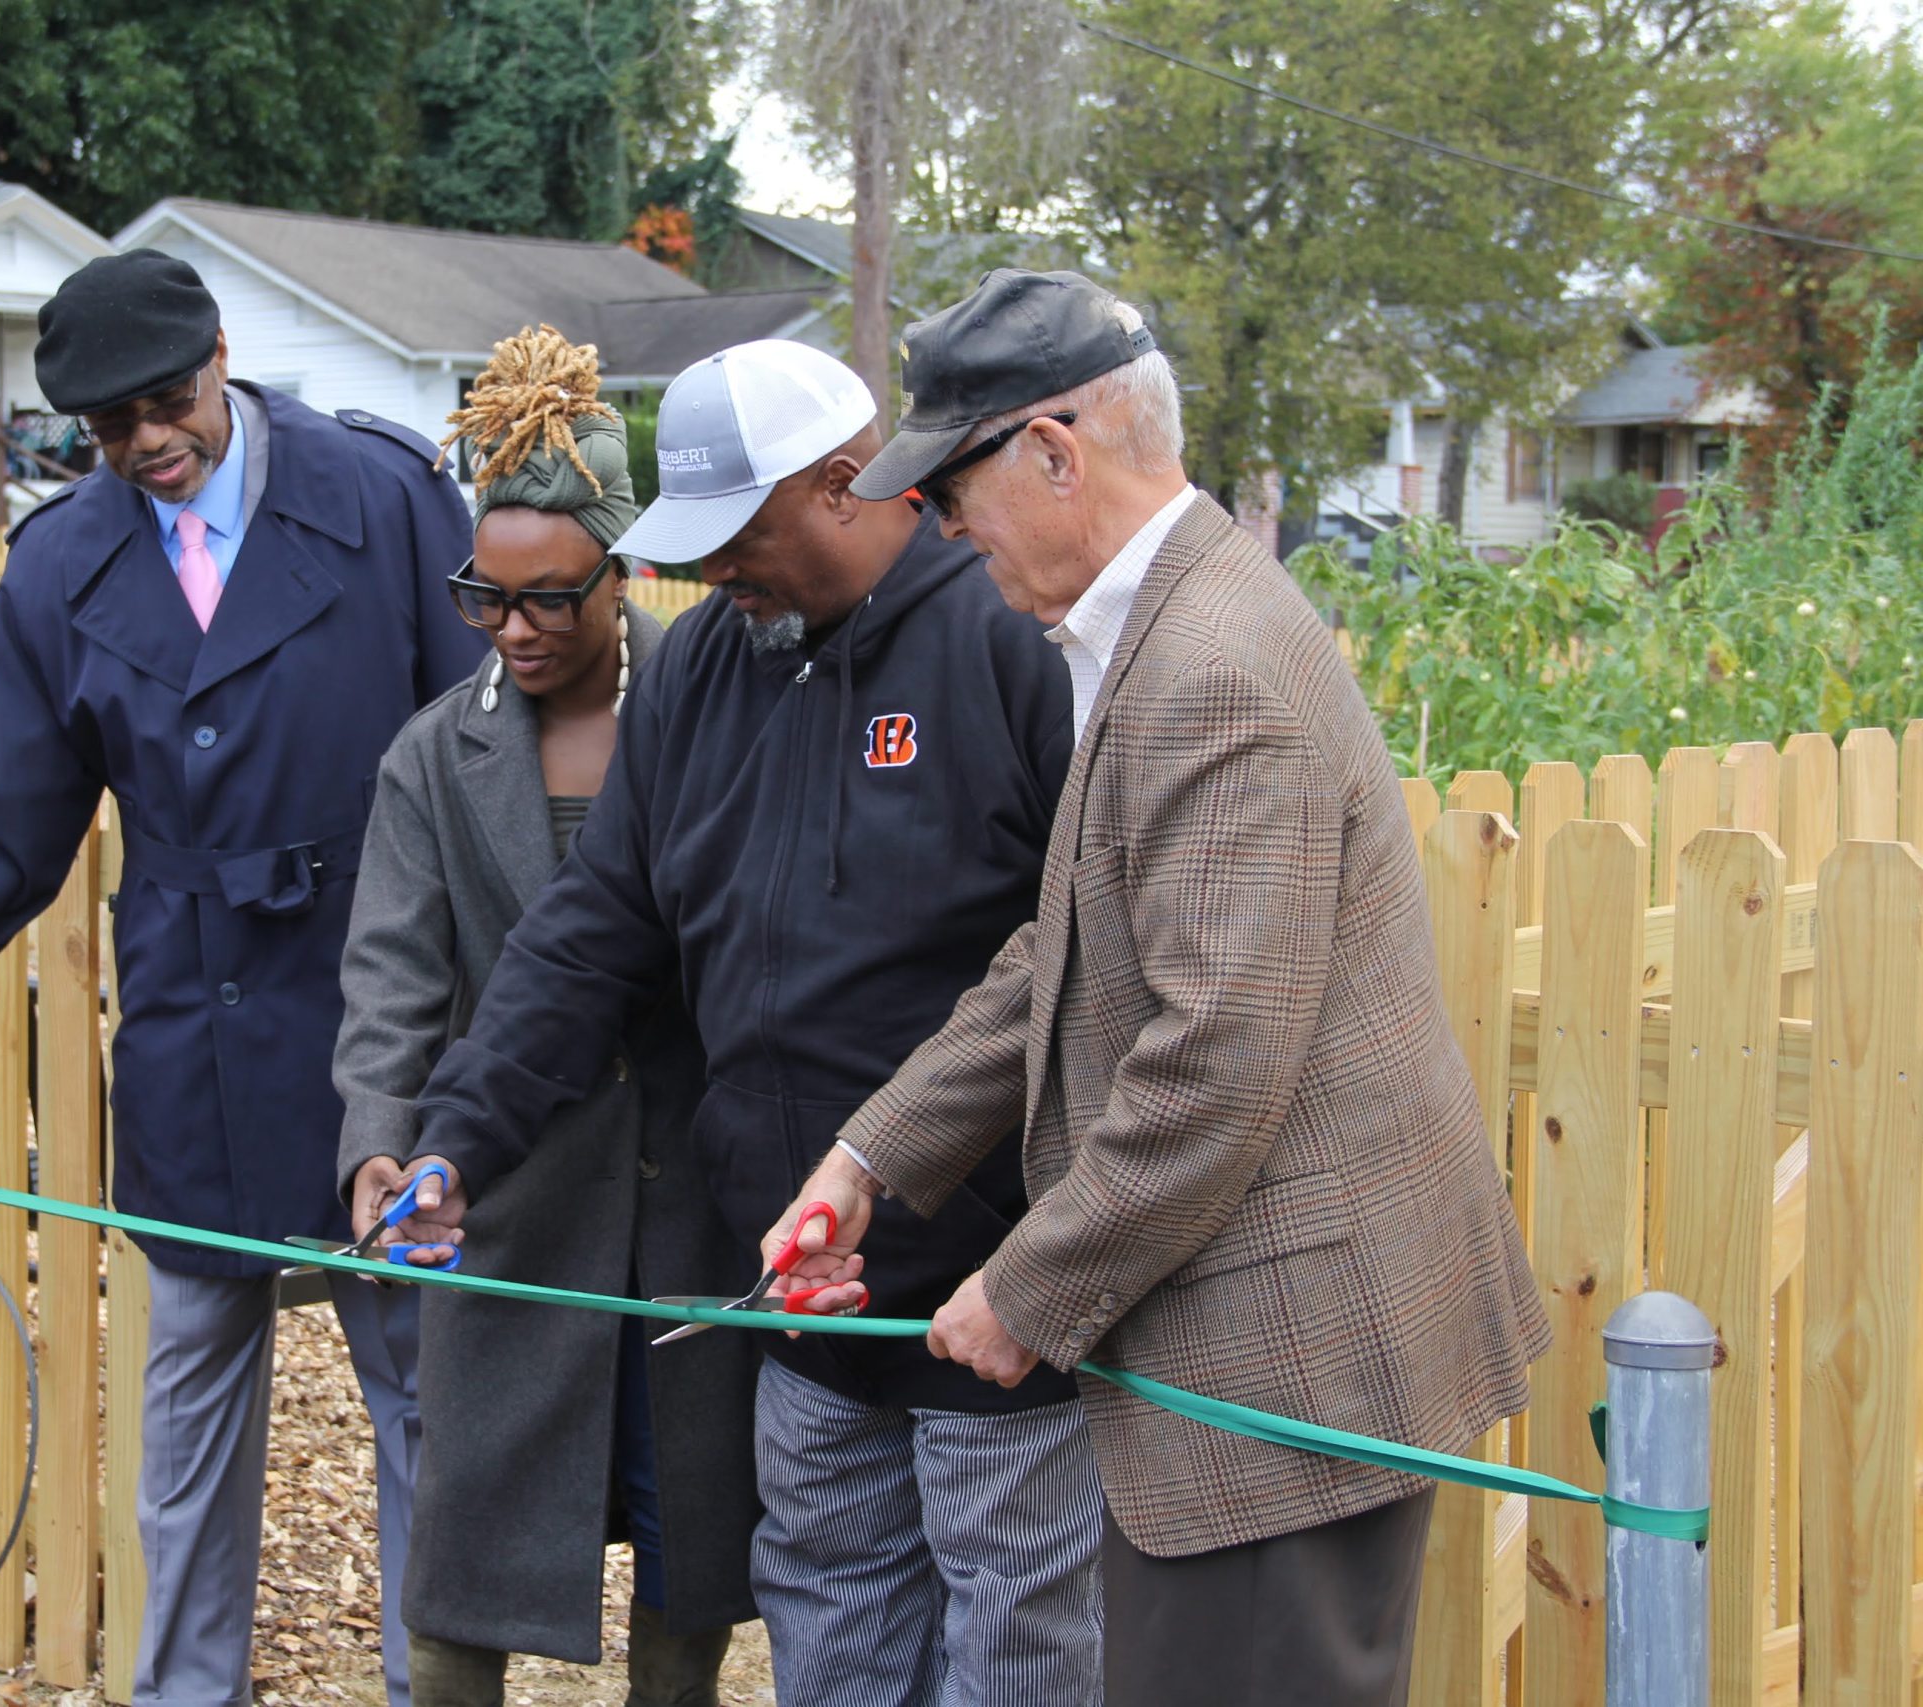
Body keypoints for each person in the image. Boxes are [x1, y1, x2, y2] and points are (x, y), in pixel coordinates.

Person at [760, 267, 1549, 1706]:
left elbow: (1214, 1062)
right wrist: (872, 1155)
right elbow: (1058, 952)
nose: (935, 525)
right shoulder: (1150, 631)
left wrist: (1024, 1290)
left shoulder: (1211, 666)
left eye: (951, 487)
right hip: (1258, 1366)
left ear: (1056, 453)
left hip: (1287, 1380)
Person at [0, 250, 487, 1707]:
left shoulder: (389, 498)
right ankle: (187, 1692)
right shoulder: (58, 568)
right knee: (191, 1395)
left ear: (223, 355)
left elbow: (477, 753)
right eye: (111, 428)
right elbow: (10, 818)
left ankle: (439, 1690)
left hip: (392, 1019)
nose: (148, 443)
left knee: (427, 1389)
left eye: (168, 403)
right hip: (196, 1021)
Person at [391, 340, 1109, 1706]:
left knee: (1011, 1658)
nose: (709, 574)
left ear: (847, 485)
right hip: (796, 1301)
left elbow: (1090, 957)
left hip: (991, 1307)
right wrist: (461, 1137)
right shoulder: (709, 667)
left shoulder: (1009, 641)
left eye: (740, 537)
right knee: (830, 1641)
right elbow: (595, 931)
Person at [333, 326, 757, 1707]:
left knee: (690, 1561)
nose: (513, 630)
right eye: (484, 598)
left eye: (548, 601)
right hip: (508, 1209)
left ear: (622, 573)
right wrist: (380, 1146)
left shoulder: (714, 715)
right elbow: (392, 983)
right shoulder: (431, 760)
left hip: (691, 1204)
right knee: (466, 1570)